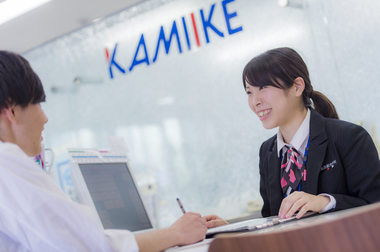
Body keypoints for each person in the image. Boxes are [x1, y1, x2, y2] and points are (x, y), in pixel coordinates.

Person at [0, 50, 207, 252]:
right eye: (37, 103)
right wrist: (176, 234)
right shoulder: (6, 163)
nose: (44, 118)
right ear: (11, 109)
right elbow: (89, 247)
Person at [203, 47, 380, 227]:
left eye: (263, 87)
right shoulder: (267, 152)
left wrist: (326, 203)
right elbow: (273, 222)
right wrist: (231, 229)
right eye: (249, 92)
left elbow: (375, 207)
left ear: (297, 87)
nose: (255, 101)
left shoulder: (349, 137)